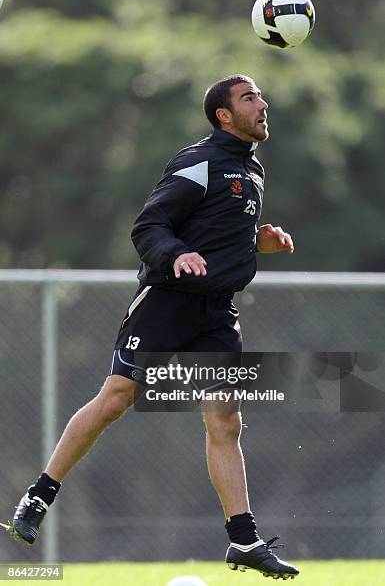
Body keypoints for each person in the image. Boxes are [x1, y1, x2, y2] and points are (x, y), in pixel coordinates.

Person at [4, 74, 299, 580]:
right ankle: (39, 494)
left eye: (260, 96)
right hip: (167, 301)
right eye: (249, 98)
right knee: (116, 398)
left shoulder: (252, 172)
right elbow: (149, 226)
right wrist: (176, 254)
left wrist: (256, 243)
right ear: (224, 115)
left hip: (217, 312)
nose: (262, 103)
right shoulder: (197, 162)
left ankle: (243, 540)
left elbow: (218, 229)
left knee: (225, 420)